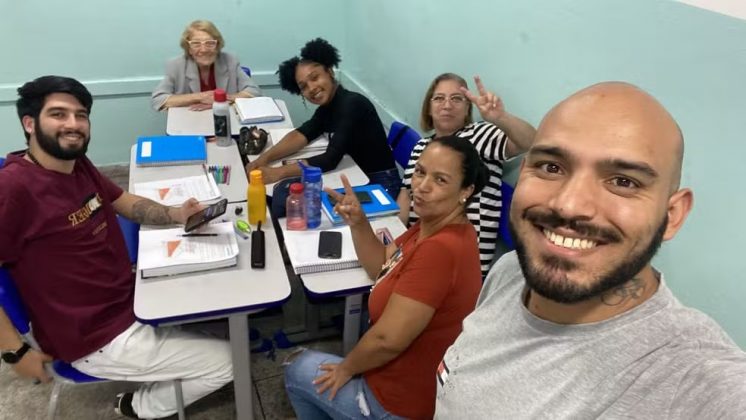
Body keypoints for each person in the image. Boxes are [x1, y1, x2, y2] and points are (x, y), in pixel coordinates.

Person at [434, 82, 746, 418]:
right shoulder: (511, 271)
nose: (569, 205)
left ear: (672, 216)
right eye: (552, 167)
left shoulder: (698, 383)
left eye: (623, 181)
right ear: (524, 173)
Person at [0, 76, 233, 419]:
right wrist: (15, 352)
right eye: (59, 114)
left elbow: (122, 200)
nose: (73, 125)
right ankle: (139, 406)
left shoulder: (75, 164)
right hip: (93, 336)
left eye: (81, 115)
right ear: (30, 123)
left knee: (216, 298)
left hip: (128, 296)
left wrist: (177, 214)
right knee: (229, 362)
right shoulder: (14, 189)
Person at [284, 135, 487, 419]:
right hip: (407, 379)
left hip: (401, 402)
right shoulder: (432, 226)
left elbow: (385, 341)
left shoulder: (440, 250)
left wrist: (347, 368)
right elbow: (381, 264)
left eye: (440, 180)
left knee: (297, 369)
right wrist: (358, 221)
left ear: (466, 191)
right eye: (420, 172)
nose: (422, 187)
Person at [398, 73, 536, 277]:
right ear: (429, 107)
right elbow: (406, 193)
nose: (447, 105)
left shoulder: (478, 136)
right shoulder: (422, 146)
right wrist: (395, 237)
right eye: (439, 98)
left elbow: (529, 141)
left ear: (467, 109)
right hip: (415, 246)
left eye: (456, 99)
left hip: (459, 264)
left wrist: (500, 118)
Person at [246, 38, 400, 216]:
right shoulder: (328, 106)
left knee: (301, 209)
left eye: (315, 77)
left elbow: (330, 159)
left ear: (330, 72)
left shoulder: (352, 104)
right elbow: (301, 135)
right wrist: (262, 159)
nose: (311, 88)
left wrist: (278, 173)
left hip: (381, 184)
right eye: (303, 86)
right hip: (356, 175)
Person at [151, 20, 262, 111]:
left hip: (226, 118)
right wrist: (201, 97)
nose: (203, 50)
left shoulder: (229, 60)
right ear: (188, 48)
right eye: (196, 44)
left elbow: (254, 91)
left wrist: (223, 99)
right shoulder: (176, 65)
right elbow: (158, 99)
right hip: (190, 122)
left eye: (210, 43)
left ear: (217, 45)